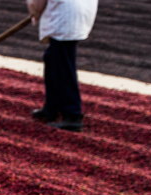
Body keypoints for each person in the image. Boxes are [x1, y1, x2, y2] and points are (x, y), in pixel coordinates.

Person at [26, 0, 98, 132]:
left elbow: (36, 2)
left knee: (62, 66)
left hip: (66, 14)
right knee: (52, 58)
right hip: (78, 11)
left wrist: (35, 13)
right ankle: (52, 107)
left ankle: (72, 114)